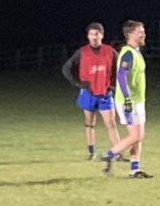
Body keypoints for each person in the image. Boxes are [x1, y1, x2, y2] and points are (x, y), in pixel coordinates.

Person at [61, 21, 123, 160]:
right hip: (88, 93)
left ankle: (118, 152)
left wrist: (114, 84)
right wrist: (77, 83)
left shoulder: (109, 51)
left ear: (102, 35)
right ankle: (91, 152)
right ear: (88, 36)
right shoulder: (82, 52)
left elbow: (120, 69)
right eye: (91, 34)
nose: (94, 37)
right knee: (89, 123)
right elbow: (66, 68)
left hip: (104, 93)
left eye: (97, 34)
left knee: (111, 124)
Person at [105, 20, 151, 178]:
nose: (143, 34)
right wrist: (127, 98)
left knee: (139, 137)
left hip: (138, 100)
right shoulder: (128, 53)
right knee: (135, 136)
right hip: (128, 101)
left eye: (143, 31)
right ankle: (109, 154)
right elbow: (121, 75)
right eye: (140, 32)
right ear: (130, 34)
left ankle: (134, 170)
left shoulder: (136, 52)